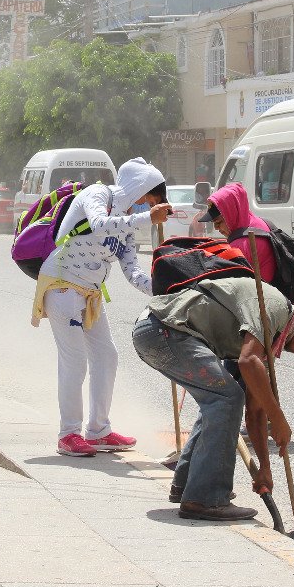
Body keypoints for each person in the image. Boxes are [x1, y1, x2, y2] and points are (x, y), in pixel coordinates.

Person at [132, 280, 294, 521]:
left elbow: (255, 411)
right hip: (163, 330)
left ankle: (187, 485)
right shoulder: (273, 306)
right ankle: (206, 499)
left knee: (220, 398)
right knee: (227, 397)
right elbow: (247, 362)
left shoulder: (269, 339)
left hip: (161, 333)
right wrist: (279, 420)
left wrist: (265, 468)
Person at [32, 157, 171, 457]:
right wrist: (147, 218)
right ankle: (68, 434)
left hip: (90, 295)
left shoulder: (128, 228)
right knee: (75, 361)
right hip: (63, 286)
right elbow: (98, 224)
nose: (148, 208)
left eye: (152, 206)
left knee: (107, 356)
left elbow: (133, 273)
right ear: (138, 189)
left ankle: (98, 431)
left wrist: (166, 289)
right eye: (150, 201)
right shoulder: (97, 195)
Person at [198, 183, 275, 282]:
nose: (216, 228)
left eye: (218, 222)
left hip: (260, 295)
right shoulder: (258, 223)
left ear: (231, 214)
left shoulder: (241, 244)